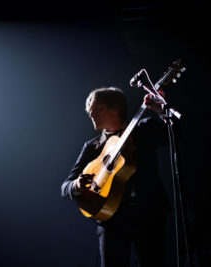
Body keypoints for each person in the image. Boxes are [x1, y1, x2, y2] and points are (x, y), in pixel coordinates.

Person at [61, 87, 170, 267]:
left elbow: (177, 133)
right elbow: (65, 186)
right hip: (111, 221)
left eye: (97, 109)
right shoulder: (92, 147)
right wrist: (77, 185)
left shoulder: (143, 130)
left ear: (115, 108)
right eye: (89, 111)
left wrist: (162, 111)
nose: (91, 114)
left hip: (149, 216)